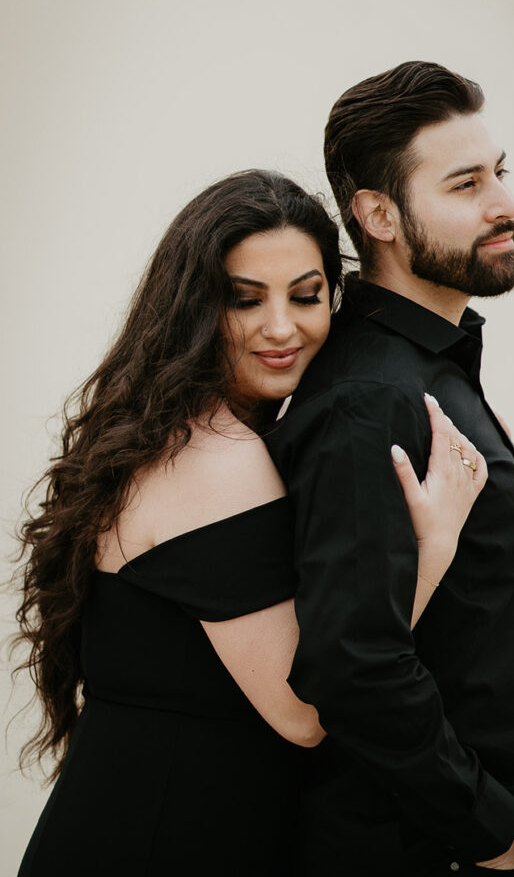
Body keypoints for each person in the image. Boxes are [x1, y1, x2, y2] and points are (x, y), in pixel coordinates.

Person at [14, 169, 487, 876]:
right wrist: (434, 543)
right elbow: (305, 714)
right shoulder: (212, 457)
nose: (279, 327)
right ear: (195, 310)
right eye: (244, 300)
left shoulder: (191, 435)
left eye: (305, 296)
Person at [266, 63, 514, 876]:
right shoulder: (371, 399)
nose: (504, 202)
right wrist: (495, 838)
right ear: (377, 214)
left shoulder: (422, 376)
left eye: (500, 173)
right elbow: (353, 663)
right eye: (465, 183)